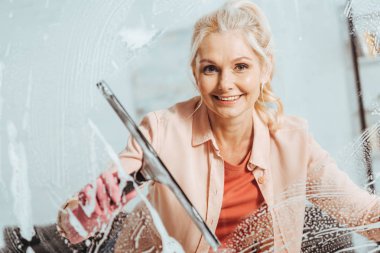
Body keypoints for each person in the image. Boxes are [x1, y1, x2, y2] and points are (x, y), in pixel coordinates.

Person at [57, 0, 380, 252]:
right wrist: (92, 205)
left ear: (264, 70)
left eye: (241, 67)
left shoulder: (294, 141)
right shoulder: (161, 131)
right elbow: (73, 229)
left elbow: (365, 216)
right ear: (195, 74)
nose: (226, 84)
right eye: (211, 69)